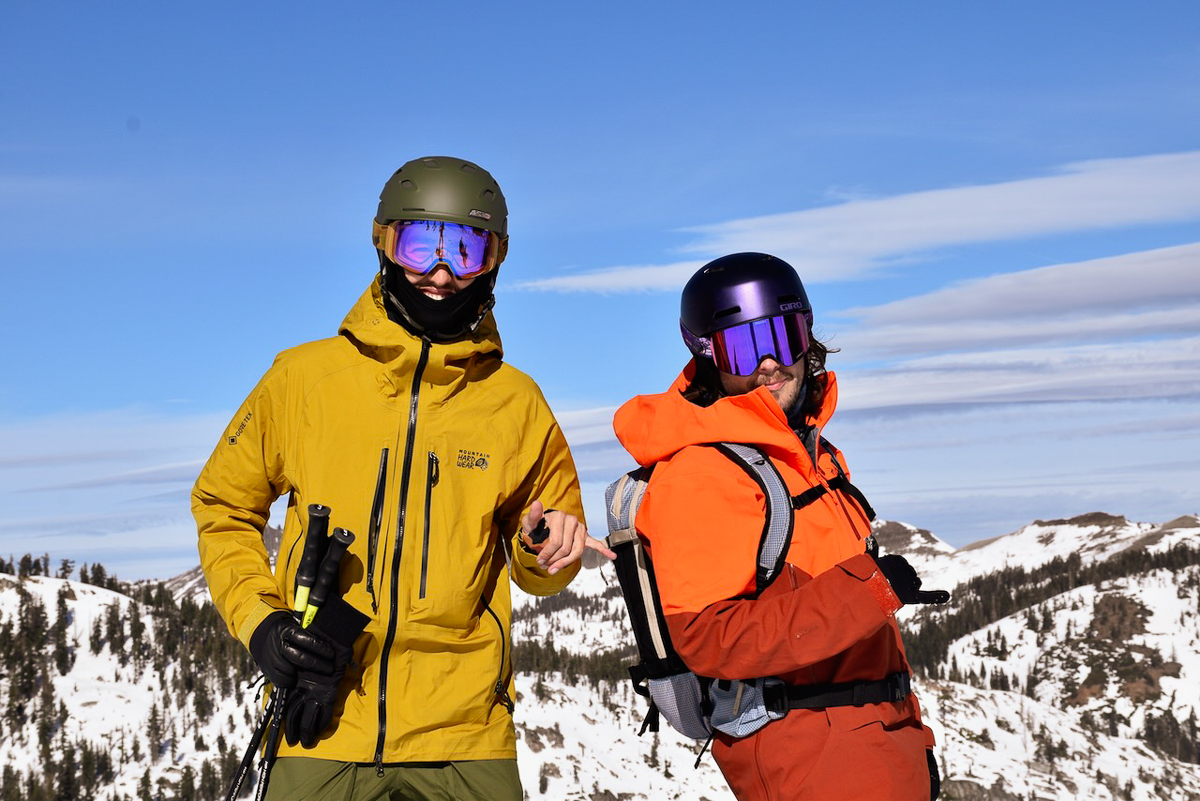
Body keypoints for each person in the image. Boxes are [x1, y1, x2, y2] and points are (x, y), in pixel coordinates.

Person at [192, 155, 613, 800]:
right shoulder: (304, 380)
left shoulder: (516, 403)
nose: (441, 274)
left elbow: (541, 566)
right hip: (324, 719)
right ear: (384, 244)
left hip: (466, 736)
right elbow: (223, 506)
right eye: (422, 244)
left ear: (495, 257)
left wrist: (546, 545)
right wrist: (262, 624)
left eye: (465, 249)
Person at [612, 252, 946, 800]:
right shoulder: (703, 470)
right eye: (743, 346)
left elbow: (855, 638)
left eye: (781, 336)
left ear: (806, 337)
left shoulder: (809, 453)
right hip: (812, 756)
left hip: (871, 742)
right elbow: (711, 638)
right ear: (708, 356)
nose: (768, 363)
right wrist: (870, 591)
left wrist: (912, 740)